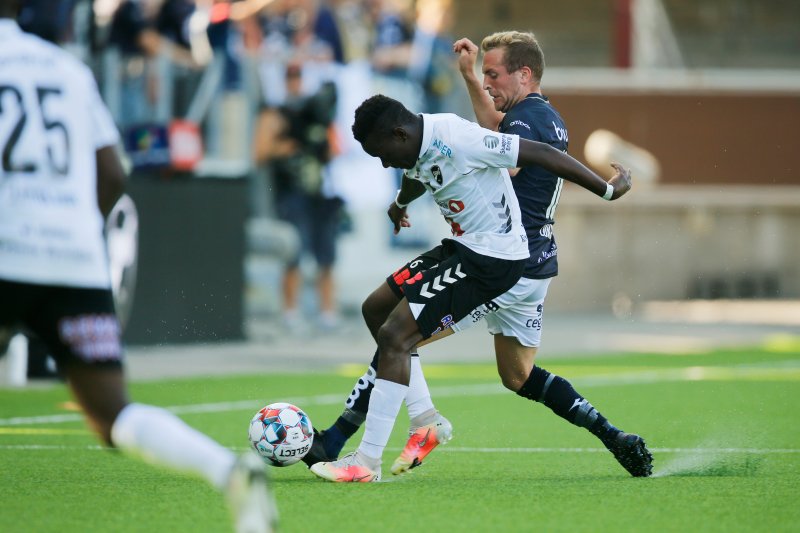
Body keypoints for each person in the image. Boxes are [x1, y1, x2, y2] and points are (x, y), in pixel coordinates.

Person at [304, 31, 654, 480]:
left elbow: (498, 148)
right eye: (483, 75)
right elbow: (471, 141)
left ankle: (348, 439)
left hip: (504, 261)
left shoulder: (524, 123)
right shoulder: (537, 116)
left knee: (398, 335)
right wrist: (404, 199)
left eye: (494, 74)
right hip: (530, 259)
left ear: (524, 74)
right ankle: (613, 435)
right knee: (517, 375)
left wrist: (607, 190)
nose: (487, 85)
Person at [0, 4, 276, 532]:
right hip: (74, 260)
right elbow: (111, 173)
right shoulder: (64, 68)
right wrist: (74, 236)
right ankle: (227, 471)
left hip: (6, 248)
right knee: (111, 415)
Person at [253, 61, 344, 331]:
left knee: (326, 256)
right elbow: (259, 154)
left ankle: (327, 314)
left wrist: (319, 137)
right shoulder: (276, 114)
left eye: (298, 76)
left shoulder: (316, 113)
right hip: (291, 192)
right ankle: (290, 313)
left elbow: (333, 151)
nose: (295, 81)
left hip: (318, 191)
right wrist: (291, 145)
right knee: (294, 253)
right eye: (290, 76)